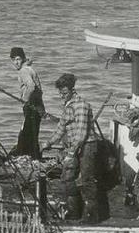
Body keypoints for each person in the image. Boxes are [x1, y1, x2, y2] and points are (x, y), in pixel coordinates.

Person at [41, 72, 110, 223]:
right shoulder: (68, 106)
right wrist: (47, 143)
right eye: (60, 93)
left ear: (72, 90)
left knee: (86, 180)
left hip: (87, 146)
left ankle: (92, 216)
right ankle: (73, 212)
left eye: (64, 93)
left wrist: (71, 152)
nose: (61, 96)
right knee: (68, 178)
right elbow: (61, 128)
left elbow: (81, 133)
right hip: (75, 147)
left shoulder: (81, 106)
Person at [9, 46, 45, 159]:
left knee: (26, 134)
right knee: (32, 135)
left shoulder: (24, 71)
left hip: (32, 105)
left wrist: (24, 100)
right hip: (38, 106)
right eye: (14, 59)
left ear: (23, 59)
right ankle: (34, 157)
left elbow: (31, 86)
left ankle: (28, 158)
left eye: (18, 59)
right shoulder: (29, 68)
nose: (16, 62)